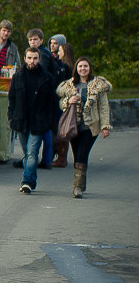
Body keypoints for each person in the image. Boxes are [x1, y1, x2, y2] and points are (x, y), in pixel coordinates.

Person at [56, 57, 113, 198]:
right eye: (80, 66)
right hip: (73, 125)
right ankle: (81, 183)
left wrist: (105, 126)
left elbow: (104, 107)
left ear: (89, 68)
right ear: (76, 69)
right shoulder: (70, 85)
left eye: (85, 66)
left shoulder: (98, 85)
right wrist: (68, 101)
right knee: (77, 157)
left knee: (82, 154)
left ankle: (77, 188)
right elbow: (61, 103)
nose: (83, 69)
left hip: (90, 126)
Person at [8, 47, 58, 194]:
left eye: (35, 58)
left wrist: (49, 119)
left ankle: (27, 181)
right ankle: (30, 177)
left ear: (39, 59)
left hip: (39, 121)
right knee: (28, 154)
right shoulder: (18, 76)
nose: (32, 61)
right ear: (25, 58)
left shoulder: (46, 78)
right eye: (29, 58)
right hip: (21, 120)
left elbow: (52, 101)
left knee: (32, 153)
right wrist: (11, 114)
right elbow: (12, 97)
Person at [24, 29, 58, 169]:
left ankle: (46, 159)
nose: (33, 42)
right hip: (46, 95)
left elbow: (40, 75)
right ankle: (46, 158)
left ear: (41, 41)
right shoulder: (43, 53)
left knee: (46, 130)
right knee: (46, 130)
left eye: (36, 39)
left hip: (44, 96)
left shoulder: (43, 55)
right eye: (31, 40)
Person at [0, 21, 20, 164]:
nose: (6, 33)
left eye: (8, 31)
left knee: (4, 124)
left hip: (5, 89)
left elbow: (19, 68)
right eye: (4, 30)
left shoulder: (13, 48)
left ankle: (1, 155)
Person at [50, 38, 74, 167]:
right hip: (61, 102)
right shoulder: (63, 66)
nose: (58, 53)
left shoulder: (67, 68)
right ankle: (61, 156)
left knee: (62, 130)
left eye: (60, 50)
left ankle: (62, 158)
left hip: (63, 103)